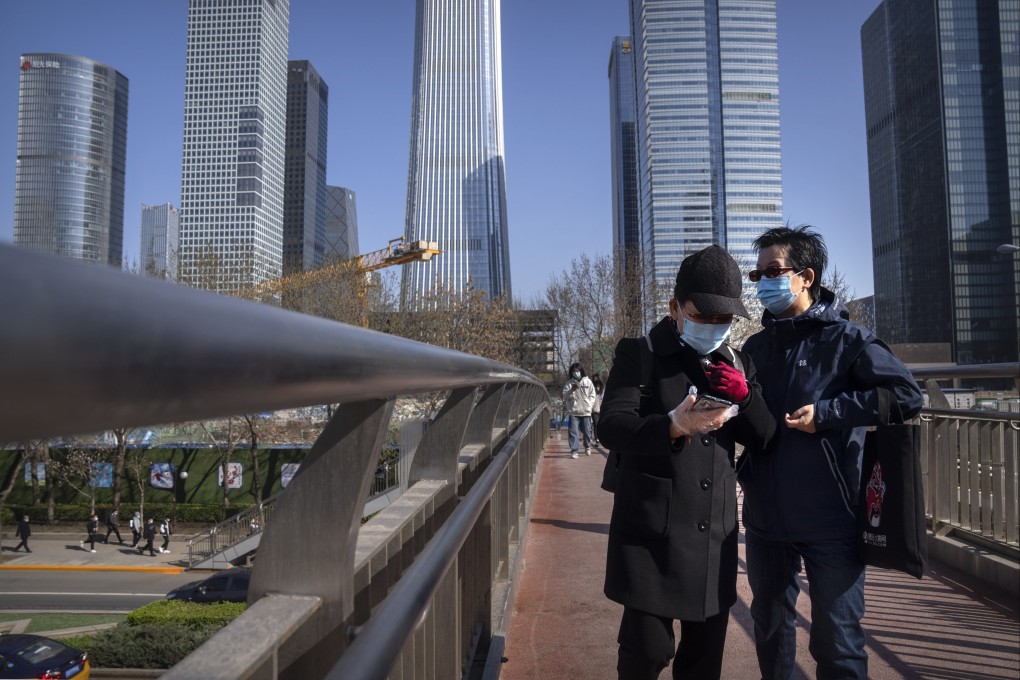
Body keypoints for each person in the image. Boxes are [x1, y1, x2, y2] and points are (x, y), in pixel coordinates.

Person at [739, 226, 923, 679]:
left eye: (773, 271)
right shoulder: (754, 347)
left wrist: (830, 412)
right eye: (756, 273)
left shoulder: (847, 340)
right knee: (770, 633)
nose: (763, 281)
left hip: (832, 521)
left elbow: (906, 394)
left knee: (837, 643)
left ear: (806, 276)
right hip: (765, 519)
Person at [598, 245, 777, 680]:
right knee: (646, 652)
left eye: (725, 319)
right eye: (704, 315)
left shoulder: (738, 362)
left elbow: (765, 437)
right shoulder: (637, 353)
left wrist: (747, 397)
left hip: (711, 534)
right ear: (675, 307)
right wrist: (673, 426)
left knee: (702, 664)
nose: (715, 327)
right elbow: (612, 427)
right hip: (650, 531)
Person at [562, 362, 597, 458]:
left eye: (577, 371)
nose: (576, 373)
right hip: (574, 411)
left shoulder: (588, 382)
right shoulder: (569, 383)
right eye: (573, 372)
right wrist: (571, 390)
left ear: (581, 371)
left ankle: (587, 446)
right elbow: (565, 396)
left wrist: (590, 405)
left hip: (586, 411)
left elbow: (592, 395)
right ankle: (574, 450)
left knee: (587, 431)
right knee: (573, 432)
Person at [591, 375, 605, 447]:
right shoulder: (591, 388)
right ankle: (597, 439)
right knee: (596, 424)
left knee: (601, 424)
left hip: (602, 409)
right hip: (594, 409)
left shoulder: (603, 388)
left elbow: (604, 398)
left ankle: (602, 438)